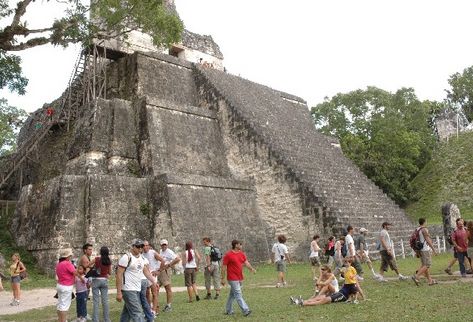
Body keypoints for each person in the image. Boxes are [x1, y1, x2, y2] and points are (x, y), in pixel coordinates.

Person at [116, 239, 157, 322]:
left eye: (141, 246)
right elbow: (119, 275)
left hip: (137, 289)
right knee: (137, 313)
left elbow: (146, 271)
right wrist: (119, 292)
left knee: (127, 313)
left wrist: (154, 281)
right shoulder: (126, 257)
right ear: (133, 246)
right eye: (138, 246)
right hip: (128, 289)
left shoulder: (141, 258)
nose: (140, 248)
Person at [290, 257, 359, 306]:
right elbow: (317, 284)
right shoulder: (347, 283)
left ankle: (304, 303)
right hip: (336, 293)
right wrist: (321, 275)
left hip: (338, 293)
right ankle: (300, 302)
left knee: (323, 300)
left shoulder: (352, 283)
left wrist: (360, 298)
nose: (322, 271)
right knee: (319, 298)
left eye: (323, 270)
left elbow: (356, 291)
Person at [221, 240, 256, 317]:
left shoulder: (242, 254)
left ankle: (228, 310)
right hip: (232, 278)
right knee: (238, 294)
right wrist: (222, 278)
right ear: (236, 245)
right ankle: (246, 310)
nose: (241, 246)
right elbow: (223, 267)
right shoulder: (228, 255)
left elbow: (246, 263)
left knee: (232, 295)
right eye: (240, 244)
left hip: (239, 277)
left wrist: (251, 269)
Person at [412, 218, 438, 286]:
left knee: (424, 265)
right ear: (424, 222)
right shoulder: (424, 229)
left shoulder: (417, 229)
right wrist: (433, 249)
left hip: (420, 249)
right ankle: (416, 276)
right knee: (427, 264)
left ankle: (430, 281)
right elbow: (428, 240)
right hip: (425, 249)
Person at [56, 248, 79, 322]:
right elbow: (75, 272)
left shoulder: (59, 264)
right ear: (67, 256)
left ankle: (61, 320)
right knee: (64, 306)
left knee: (60, 305)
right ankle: (63, 320)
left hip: (60, 285)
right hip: (66, 286)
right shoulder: (67, 263)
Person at [142, 241, 165, 316]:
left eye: (146, 245)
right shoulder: (141, 255)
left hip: (153, 275)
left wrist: (159, 271)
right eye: (143, 246)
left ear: (149, 246)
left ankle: (154, 311)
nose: (145, 247)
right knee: (147, 294)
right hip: (145, 276)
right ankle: (149, 311)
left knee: (155, 293)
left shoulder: (153, 252)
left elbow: (162, 260)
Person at [158, 239, 181, 312]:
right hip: (160, 271)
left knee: (168, 288)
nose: (164, 246)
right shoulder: (161, 251)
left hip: (165, 271)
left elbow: (177, 259)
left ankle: (169, 306)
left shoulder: (169, 252)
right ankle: (155, 305)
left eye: (165, 244)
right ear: (160, 245)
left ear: (167, 245)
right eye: (162, 244)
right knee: (156, 288)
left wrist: (169, 265)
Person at [92, 246, 112, 322]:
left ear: (100, 252)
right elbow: (110, 272)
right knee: (105, 301)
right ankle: (107, 319)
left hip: (96, 280)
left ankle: (95, 319)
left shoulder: (97, 259)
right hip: (104, 280)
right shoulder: (108, 260)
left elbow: (87, 265)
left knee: (96, 301)